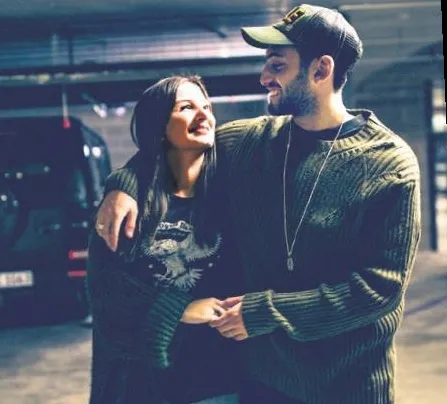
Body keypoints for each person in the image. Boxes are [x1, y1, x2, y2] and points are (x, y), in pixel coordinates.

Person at [95, 4, 421, 404]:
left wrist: (264, 312)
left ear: (321, 70)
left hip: (347, 386)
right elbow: (170, 149)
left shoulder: (389, 163)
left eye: (277, 65)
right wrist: (123, 186)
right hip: (262, 381)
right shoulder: (249, 142)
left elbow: (379, 288)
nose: (264, 76)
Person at [87, 75, 243, 404]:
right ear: (158, 124)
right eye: (186, 107)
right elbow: (106, 298)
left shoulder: (233, 195)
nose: (203, 115)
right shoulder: (128, 208)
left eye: (207, 107)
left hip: (219, 378)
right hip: (141, 381)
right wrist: (181, 308)